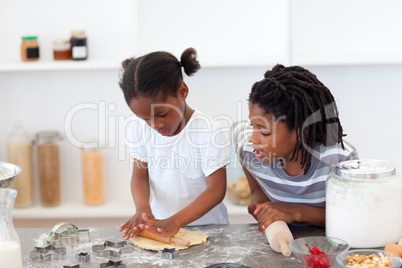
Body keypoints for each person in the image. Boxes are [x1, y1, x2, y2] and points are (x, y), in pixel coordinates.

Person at [230, 64, 358, 234]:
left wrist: (293, 212)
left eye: (265, 131)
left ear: (303, 132)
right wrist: (257, 193)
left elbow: (352, 218)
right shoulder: (248, 147)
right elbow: (235, 130)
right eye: (252, 125)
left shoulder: (338, 160)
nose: (254, 138)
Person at [118, 48, 229, 239]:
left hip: (210, 230)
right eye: (145, 118)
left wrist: (176, 221)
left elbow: (216, 190)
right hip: (163, 227)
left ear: (182, 91)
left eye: (162, 114)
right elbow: (139, 175)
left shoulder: (209, 131)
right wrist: (143, 209)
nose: (155, 125)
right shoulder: (139, 129)